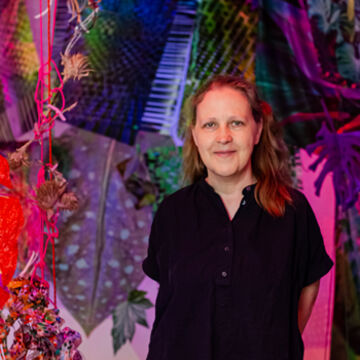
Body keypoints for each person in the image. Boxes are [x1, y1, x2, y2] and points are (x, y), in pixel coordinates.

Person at [142, 75, 333, 360]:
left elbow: (308, 285)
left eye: (236, 123)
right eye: (210, 125)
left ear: (256, 131)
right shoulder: (172, 212)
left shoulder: (293, 211)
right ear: (195, 135)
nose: (223, 137)